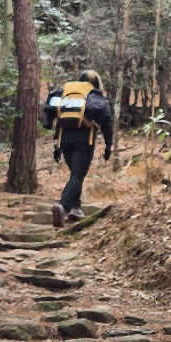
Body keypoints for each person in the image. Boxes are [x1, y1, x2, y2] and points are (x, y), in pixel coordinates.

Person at [41, 69, 113, 227]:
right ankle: (63, 207)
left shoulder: (65, 93)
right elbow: (106, 121)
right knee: (77, 176)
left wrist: (57, 147)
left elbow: (55, 117)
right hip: (84, 141)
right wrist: (108, 145)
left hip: (64, 141)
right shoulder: (94, 96)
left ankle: (75, 207)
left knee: (75, 175)